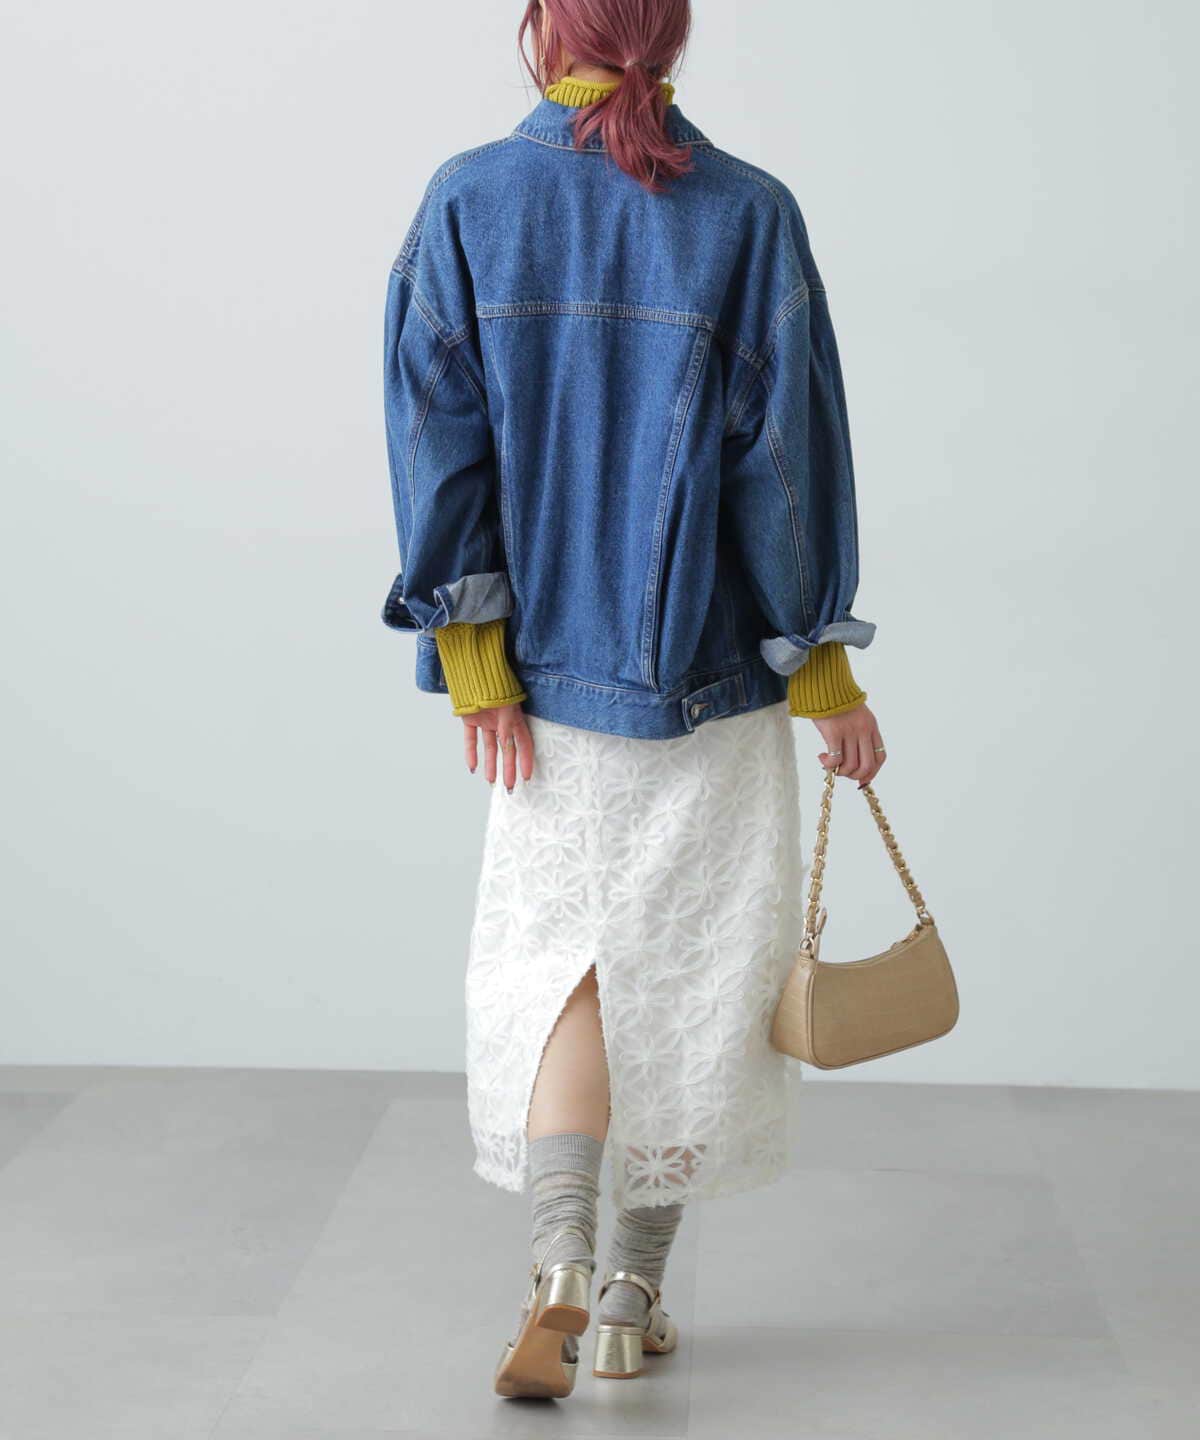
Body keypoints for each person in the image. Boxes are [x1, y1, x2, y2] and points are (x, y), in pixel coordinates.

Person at [381, 0, 886, 1400]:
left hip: (541, 695)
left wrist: (474, 658)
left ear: (551, 27)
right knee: (693, 979)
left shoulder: (469, 201)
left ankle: (555, 1263)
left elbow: (436, 441)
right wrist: (822, 669)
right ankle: (626, 1297)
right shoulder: (749, 213)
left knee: (570, 974)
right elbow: (785, 468)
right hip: (709, 683)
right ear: (671, 34)